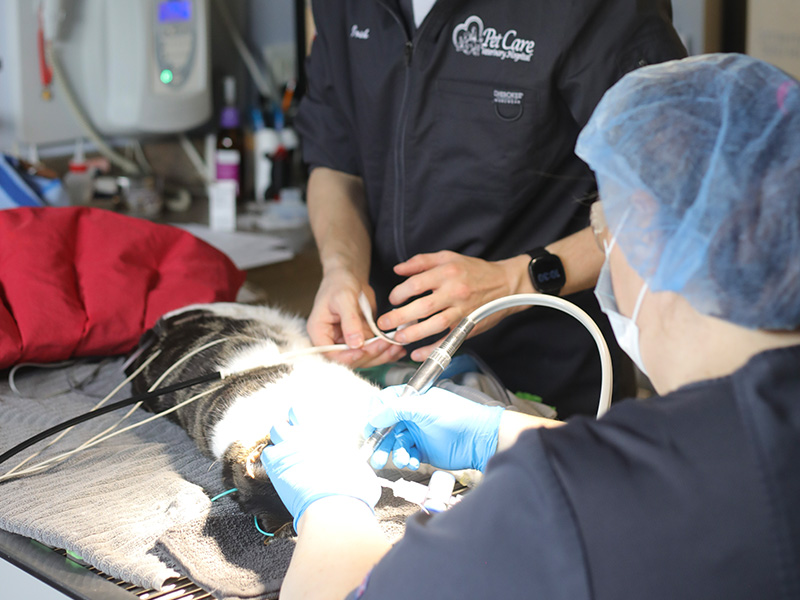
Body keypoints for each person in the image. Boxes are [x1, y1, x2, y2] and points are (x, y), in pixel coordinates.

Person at [262, 53, 800, 599]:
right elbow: (699, 469)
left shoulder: (556, 505)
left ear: (652, 237)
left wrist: (330, 506)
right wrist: (503, 435)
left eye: (602, 230)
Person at [296, 0, 687, 417]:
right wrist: (342, 270)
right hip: (396, 365)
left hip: (552, 379)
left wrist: (513, 281)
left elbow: (674, 197)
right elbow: (336, 162)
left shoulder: (596, 10)